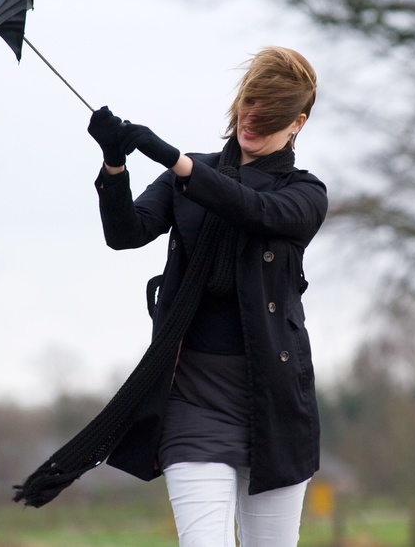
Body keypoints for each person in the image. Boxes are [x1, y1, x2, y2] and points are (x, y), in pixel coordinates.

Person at [86, 46, 327, 547]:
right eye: (249, 103)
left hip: (274, 405)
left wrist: (176, 161)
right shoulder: (188, 176)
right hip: (193, 400)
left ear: (297, 123)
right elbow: (126, 233)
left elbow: (255, 210)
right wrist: (114, 165)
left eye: (270, 114)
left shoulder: (304, 194)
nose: (252, 119)